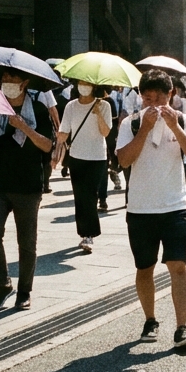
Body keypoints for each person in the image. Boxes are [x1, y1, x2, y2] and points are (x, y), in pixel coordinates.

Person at [116, 71, 186, 348]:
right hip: (140, 208)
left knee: (178, 266)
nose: (153, 104)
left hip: (175, 205)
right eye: (147, 98)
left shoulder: (183, 120)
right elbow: (124, 160)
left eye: (159, 98)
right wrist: (144, 129)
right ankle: (150, 320)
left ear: (171, 95)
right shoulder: (130, 123)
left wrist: (174, 126)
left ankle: (182, 328)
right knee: (145, 268)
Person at [0, 71, 53, 311]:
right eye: (4, 80)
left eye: (12, 80)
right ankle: (2, 284)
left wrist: (24, 127)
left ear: (24, 83)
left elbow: (47, 145)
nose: (7, 84)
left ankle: (24, 291)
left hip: (28, 185)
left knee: (27, 241)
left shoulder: (38, 109)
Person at [56, 82, 112, 253]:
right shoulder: (71, 106)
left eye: (87, 83)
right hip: (76, 156)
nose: (83, 86)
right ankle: (84, 233)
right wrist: (59, 139)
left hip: (97, 157)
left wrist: (98, 113)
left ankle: (90, 234)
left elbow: (105, 132)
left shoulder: (104, 105)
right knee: (80, 196)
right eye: (81, 83)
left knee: (90, 195)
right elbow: (64, 131)